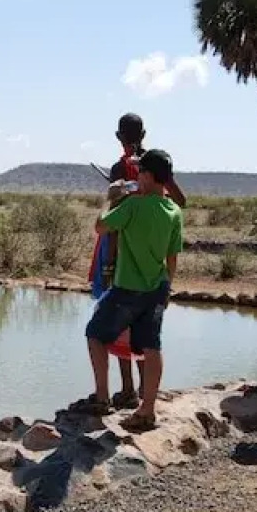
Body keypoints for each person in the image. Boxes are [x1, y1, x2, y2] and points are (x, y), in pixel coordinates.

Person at [81, 148, 183, 431]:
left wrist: (111, 199)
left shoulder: (133, 205)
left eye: (140, 173)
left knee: (95, 334)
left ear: (148, 176)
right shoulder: (174, 211)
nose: (137, 178)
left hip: (127, 288)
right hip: (157, 288)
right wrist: (168, 289)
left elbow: (101, 227)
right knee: (152, 346)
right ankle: (147, 409)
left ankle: (102, 397)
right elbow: (172, 257)